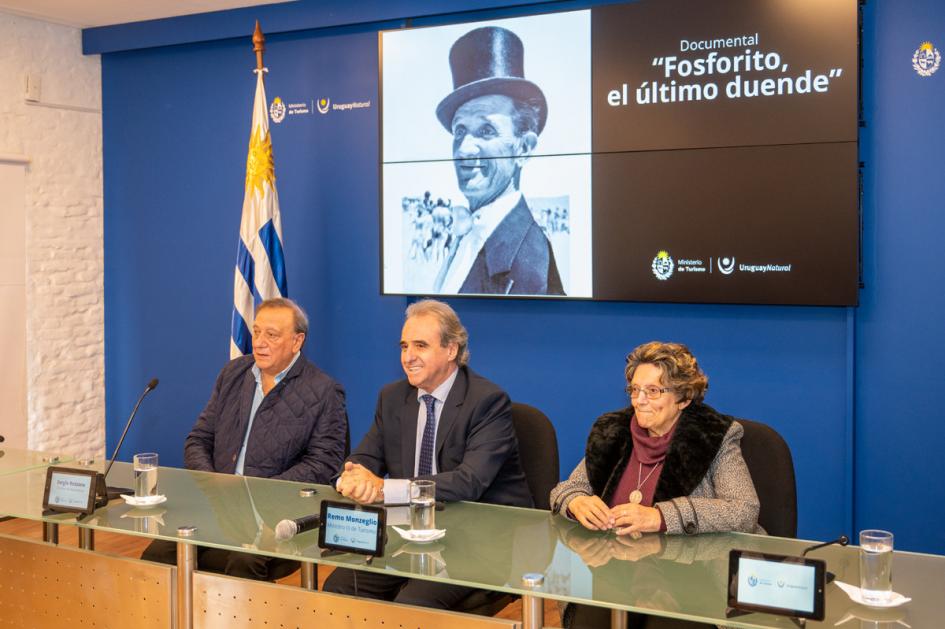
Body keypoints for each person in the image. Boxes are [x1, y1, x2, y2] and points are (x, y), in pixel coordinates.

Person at [323, 298, 532, 608]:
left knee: (414, 604)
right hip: (409, 533)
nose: (408, 357)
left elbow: (468, 482)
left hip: (478, 539)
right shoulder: (392, 397)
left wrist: (384, 488)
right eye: (404, 346)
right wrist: (354, 474)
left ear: (451, 350)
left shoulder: (487, 401)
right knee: (338, 586)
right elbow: (367, 456)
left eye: (420, 346)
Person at [550, 341, 762, 628]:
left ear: (684, 398)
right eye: (634, 390)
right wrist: (576, 502)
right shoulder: (613, 431)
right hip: (614, 573)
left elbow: (744, 510)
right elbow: (565, 489)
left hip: (689, 578)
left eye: (653, 391)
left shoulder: (713, 436)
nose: (639, 400)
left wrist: (661, 516)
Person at [140, 297, 348, 579]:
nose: (260, 342)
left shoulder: (324, 391)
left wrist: (257, 491)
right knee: (156, 557)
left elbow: (324, 464)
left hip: (280, 515)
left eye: (271, 335)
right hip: (220, 506)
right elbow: (198, 440)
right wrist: (215, 483)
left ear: (297, 342)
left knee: (241, 563)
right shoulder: (233, 374)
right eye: (256, 331)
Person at [434, 26, 564, 296]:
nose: (465, 149)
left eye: (486, 130)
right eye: (460, 131)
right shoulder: (465, 233)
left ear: (524, 148)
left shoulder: (529, 265)